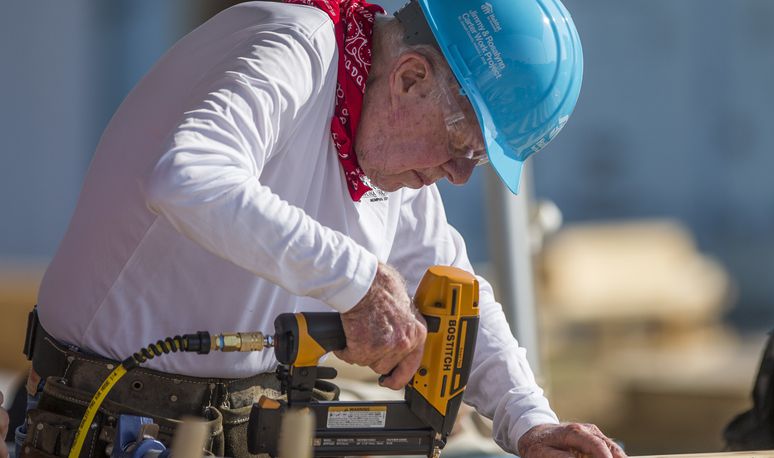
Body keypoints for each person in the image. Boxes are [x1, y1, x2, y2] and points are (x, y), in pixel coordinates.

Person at [22, 0, 625, 457]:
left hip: (234, 427)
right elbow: (188, 177)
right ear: (411, 78)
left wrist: (530, 421)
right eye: (462, 146)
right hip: (96, 419)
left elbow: (456, 290)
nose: (459, 176)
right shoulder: (293, 49)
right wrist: (358, 281)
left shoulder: (390, 156)